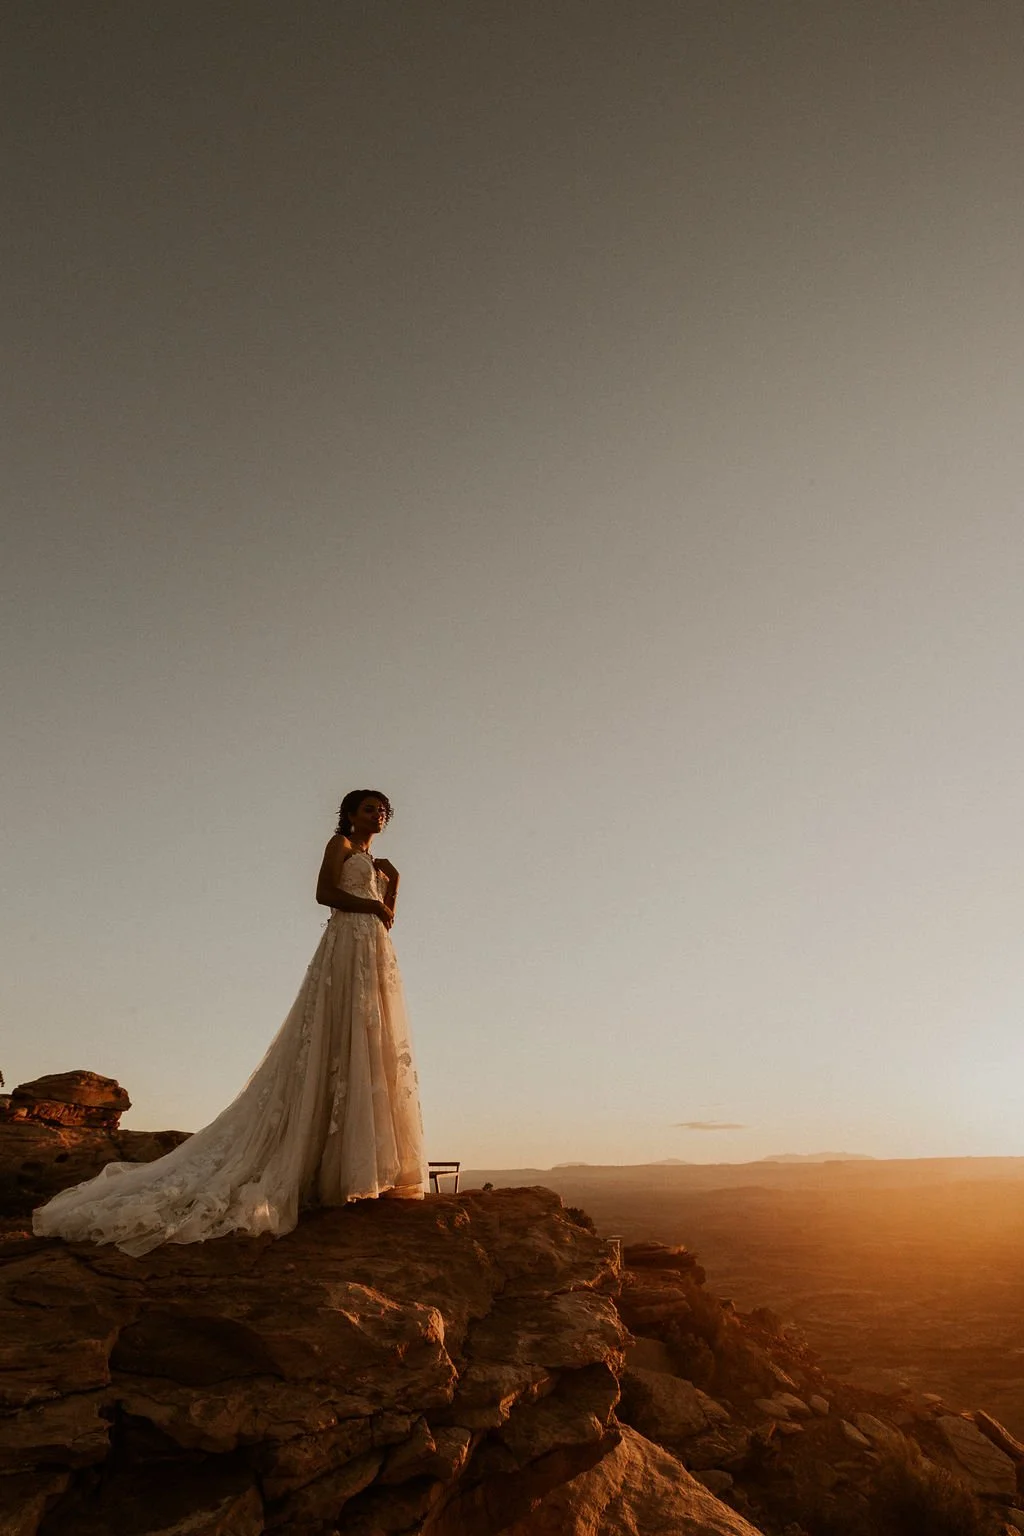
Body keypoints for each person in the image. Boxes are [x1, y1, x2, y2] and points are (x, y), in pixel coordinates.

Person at [32, 790, 427, 1256]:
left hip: (373, 950)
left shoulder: (374, 862)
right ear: (350, 814)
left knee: (368, 1041)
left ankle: (358, 1173)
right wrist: (374, 904)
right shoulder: (339, 847)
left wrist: (393, 885)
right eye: (369, 808)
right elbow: (325, 894)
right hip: (345, 946)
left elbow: (388, 918)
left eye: (383, 810)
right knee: (334, 1037)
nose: (377, 815)